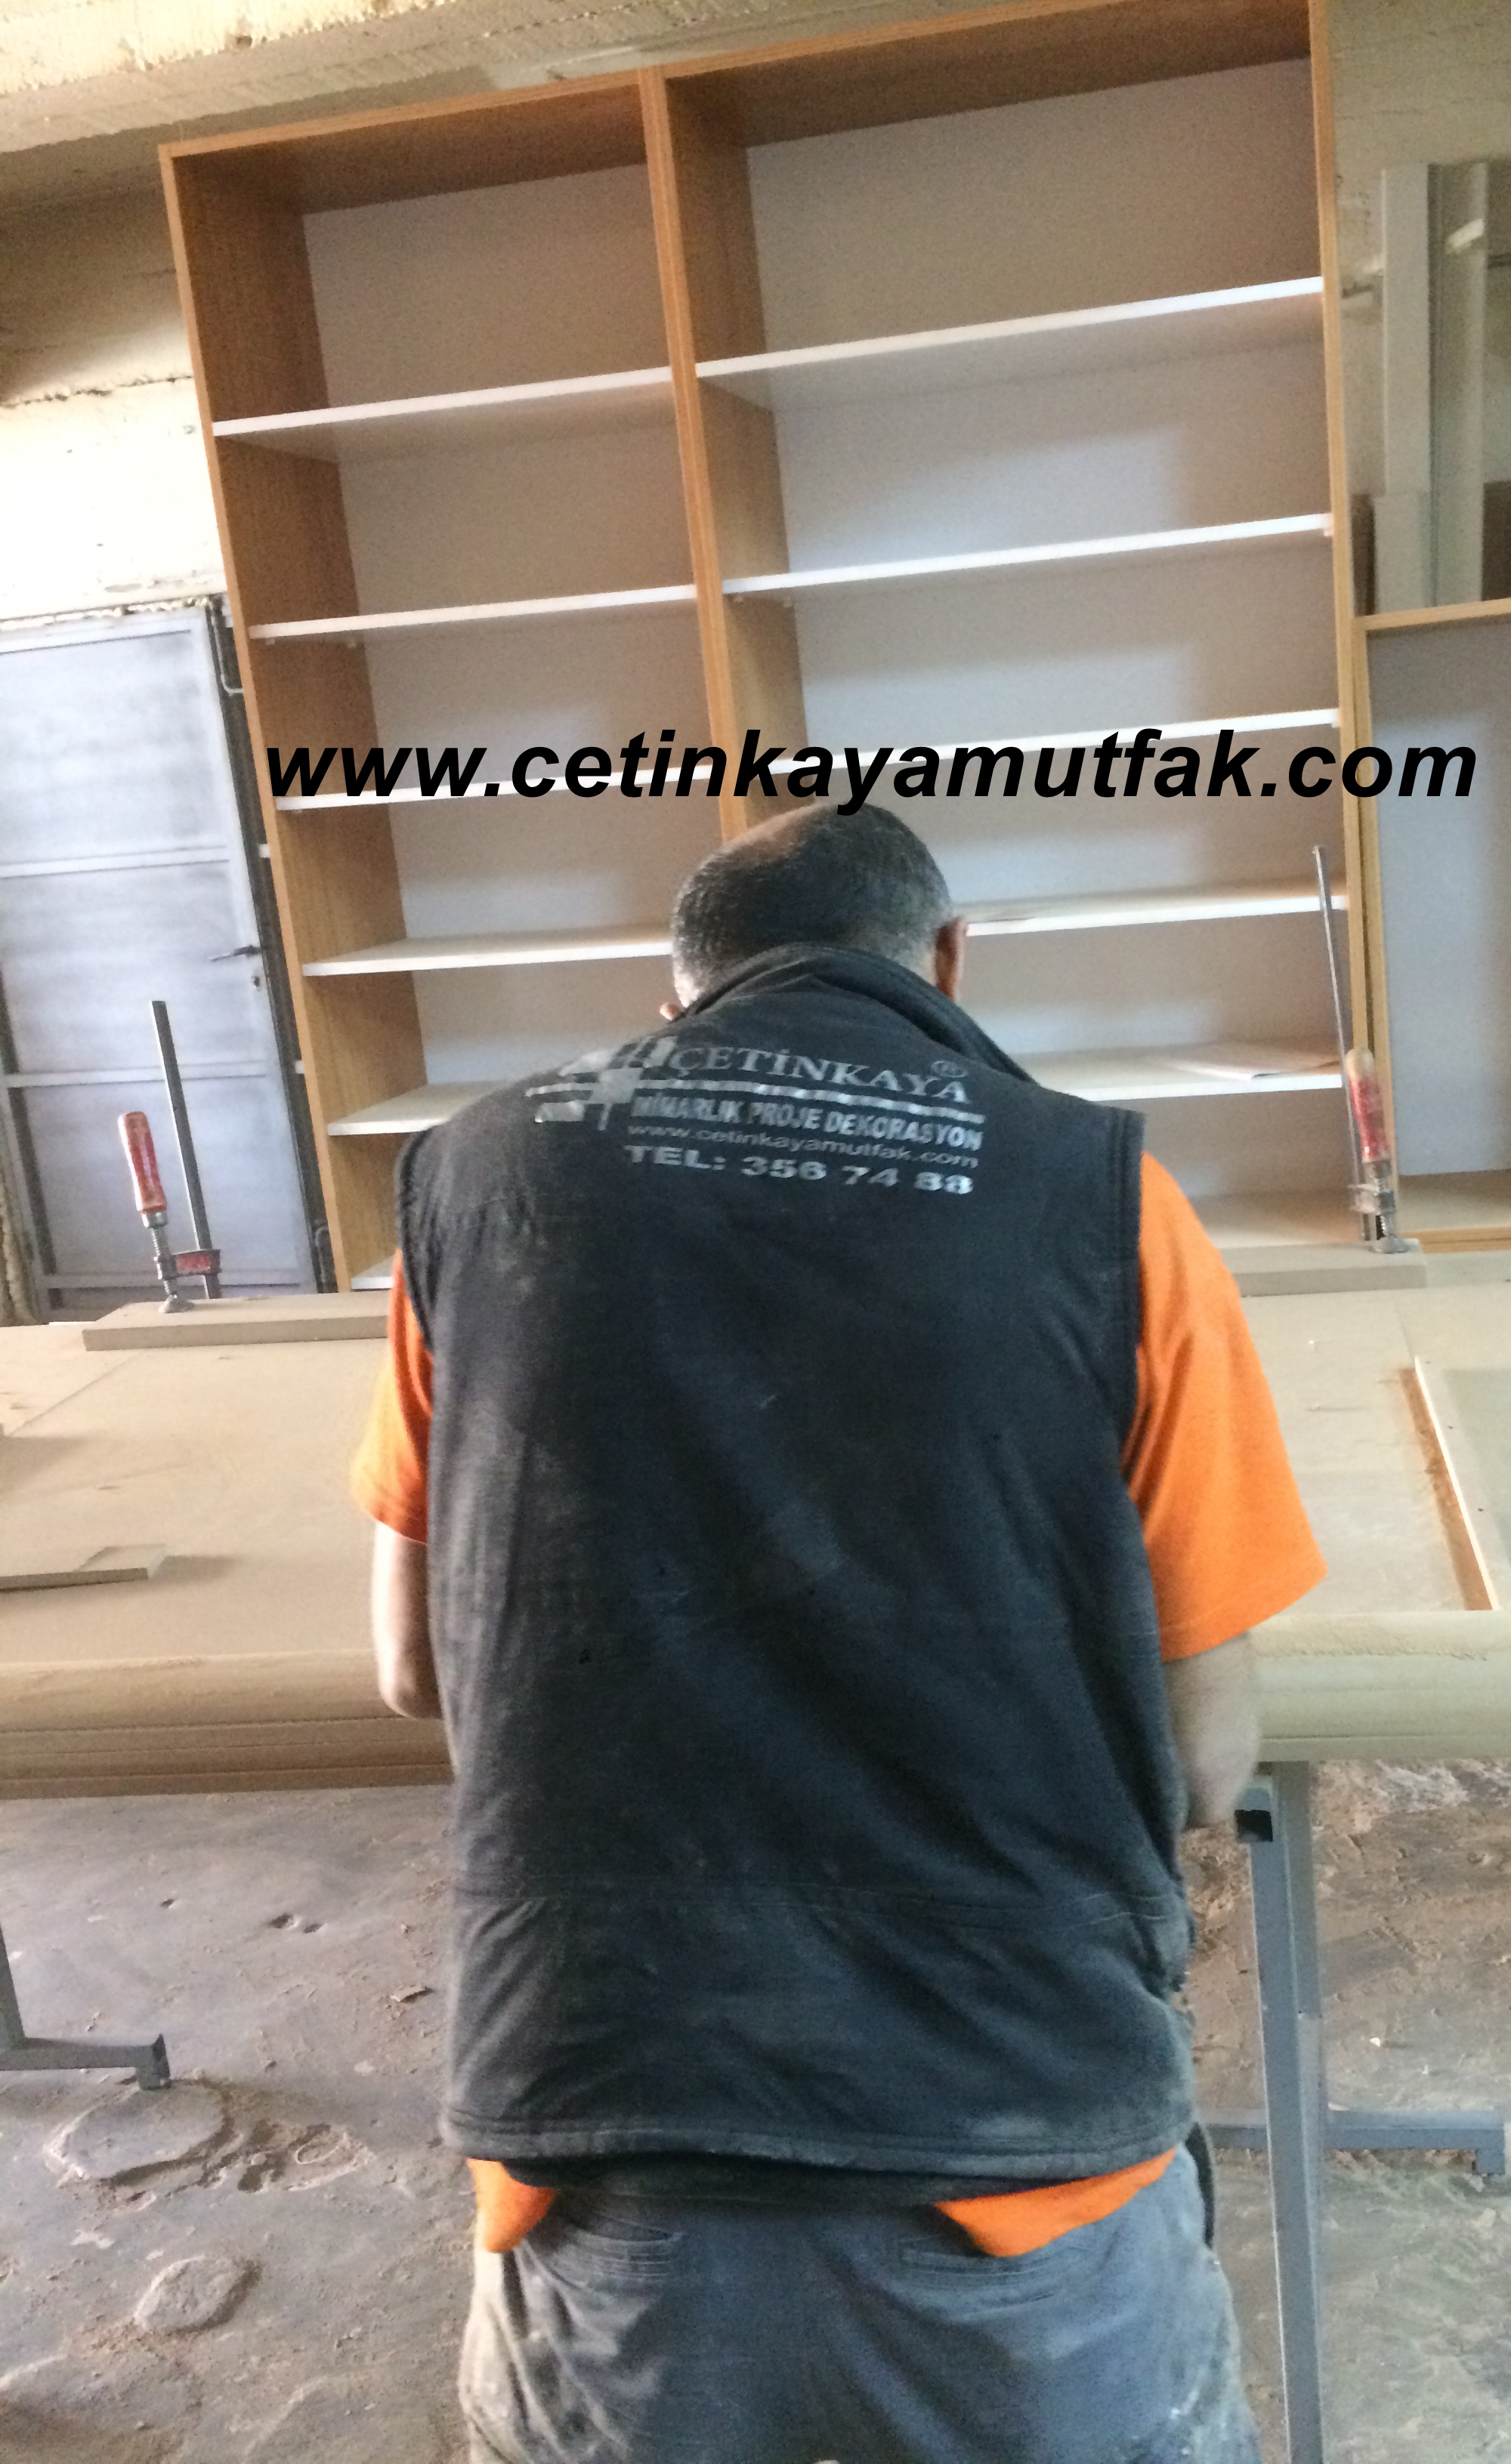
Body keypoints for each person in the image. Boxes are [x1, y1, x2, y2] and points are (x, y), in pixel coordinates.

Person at [351, 801, 1326, 2464]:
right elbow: (1201, 1754)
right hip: (1013, 2147)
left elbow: (413, 1667)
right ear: (949, 960)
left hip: (605, 2130)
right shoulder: (1103, 1196)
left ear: (674, 994)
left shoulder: (474, 1176)